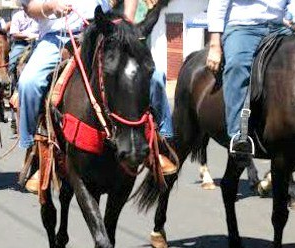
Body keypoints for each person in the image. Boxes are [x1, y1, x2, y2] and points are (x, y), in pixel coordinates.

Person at [17, 0, 176, 192]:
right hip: (57, 36)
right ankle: (36, 154)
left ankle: (160, 143)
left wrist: (127, 22)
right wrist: (50, 7)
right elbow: (29, 7)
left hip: (107, 30)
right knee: (29, 82)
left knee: (156, 77)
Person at [206, 0, 295, 157]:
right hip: (242, 28)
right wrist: (215, 45)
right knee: (237, 66)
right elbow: (218, 4)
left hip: (279, 28)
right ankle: (238, 135)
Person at [7, 8, 38, 77]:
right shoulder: (17, 16)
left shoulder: (38, 15)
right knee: (12, 61)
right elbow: (14, 34)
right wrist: (28, 35)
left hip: (37, 42)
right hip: (21, 43)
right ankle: (10, 82)